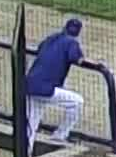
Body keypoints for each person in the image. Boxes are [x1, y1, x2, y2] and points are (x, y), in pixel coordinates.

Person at [25, 17, 87, 150]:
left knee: (31, 125)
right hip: (46, 89)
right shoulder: (72, 43)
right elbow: (78, 59)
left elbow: (40, 48)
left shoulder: (51, 38)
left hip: (29, 85)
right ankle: (60, 135)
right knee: (77, 102)